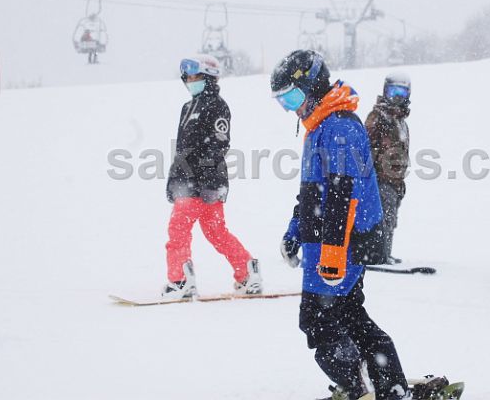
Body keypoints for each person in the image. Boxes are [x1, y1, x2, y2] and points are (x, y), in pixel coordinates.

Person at [272, 50, 409, 400]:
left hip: (340, 246)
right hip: (327, 244)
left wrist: (333, 256)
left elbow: (341, 194)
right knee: (347, 315)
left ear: (312, 85)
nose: (290, 109)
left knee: (318, 320)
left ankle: (357, 386)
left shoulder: (340, 128)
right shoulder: (321, 126)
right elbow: (311, 193)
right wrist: (294, 232)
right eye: (283, 102)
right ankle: (386, 381)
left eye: (292, 98)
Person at [163, 54, 262, 299]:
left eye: (195, 76)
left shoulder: (216, 105)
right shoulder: (188, 107)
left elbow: (219, 144)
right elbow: (182, 149)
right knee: (216, 232)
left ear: (208, 78)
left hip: (203, 182)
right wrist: (174, 180)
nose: (189, 81)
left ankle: (180, 281)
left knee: (178, 230)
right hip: (188, 181)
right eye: (187, 77)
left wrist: (206, 180)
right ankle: (247, 272)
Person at [365, 72, 411, 265]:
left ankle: (385, 252)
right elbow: (364, 147)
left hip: (394, 181)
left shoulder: (401, 122)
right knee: (381, 217)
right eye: (393, 92)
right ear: (385, 91)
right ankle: (375, 254)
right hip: (378, 179)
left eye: (402, 92)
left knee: (391, 218)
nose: (397, 97)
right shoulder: (378, 117)